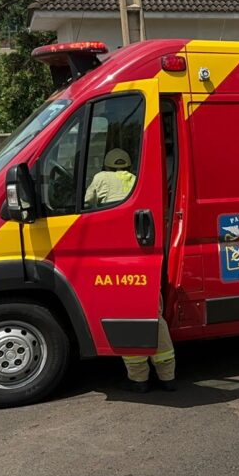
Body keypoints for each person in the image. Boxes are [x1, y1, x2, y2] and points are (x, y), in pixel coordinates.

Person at [84, 149, 177, 392]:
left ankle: (139, 380)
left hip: (115, 256)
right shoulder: (137, 179)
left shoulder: (101, 178)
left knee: (125, 314)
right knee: (153, 314)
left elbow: (85, 205)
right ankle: (167, 377)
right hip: (145, 254)